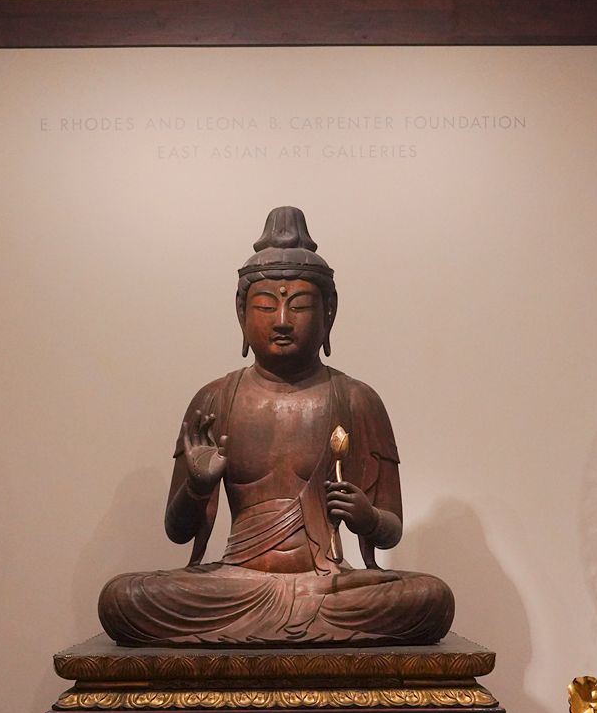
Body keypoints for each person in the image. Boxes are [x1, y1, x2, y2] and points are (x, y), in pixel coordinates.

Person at [97, 207, 455, 646]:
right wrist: (197, 486)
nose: (282, 320)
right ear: (241, 312)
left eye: (300, 305)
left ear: (329, 313)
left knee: (430, 598)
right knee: (123, 598)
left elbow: (391, 527)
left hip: (326, 586)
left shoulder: (357, 400)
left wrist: (368, 517)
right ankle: (294, 627)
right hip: (238, 583)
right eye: (266, 305)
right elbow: (178, 530)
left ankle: (277, 623)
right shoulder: (214, 400)